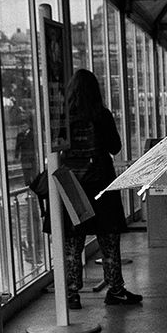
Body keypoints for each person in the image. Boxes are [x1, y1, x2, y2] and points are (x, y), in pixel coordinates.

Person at [62, 68, 140, 307]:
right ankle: (115, 289)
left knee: (73, 243)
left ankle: (71, 294)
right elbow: (115, 147)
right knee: (108, 238)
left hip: (72, 184)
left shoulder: (64, 118)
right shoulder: (101, 115)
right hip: (100, 184)